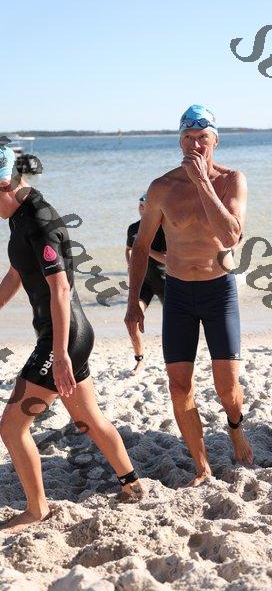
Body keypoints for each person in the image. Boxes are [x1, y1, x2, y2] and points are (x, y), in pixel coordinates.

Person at [0, 144, 144, 535]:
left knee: (11, 427)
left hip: (62, 339)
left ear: (5, 184)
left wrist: (60, 353)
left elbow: (60, 289)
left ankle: (36, 510)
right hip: (65, 337)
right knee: (87, 419)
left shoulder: (40, 220)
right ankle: (132, 486)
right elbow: (16, 274)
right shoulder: (19, 217)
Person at [125, 105, 253, 487]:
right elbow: (140, 247)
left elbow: (230, 235)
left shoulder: (232, 180)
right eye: (187, 138)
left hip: (219, 292)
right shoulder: (162, 188)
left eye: (202, 138)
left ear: (215, 140)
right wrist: (133, 303)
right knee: (178, 385)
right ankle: (202, 466)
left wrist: (202, 183)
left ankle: (235, 426)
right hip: (178, 293)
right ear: (179, 141)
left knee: (227, 389)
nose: (194, 145)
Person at [125, 193, 166, 374]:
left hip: (166, 282)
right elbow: (128, 250)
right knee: (131, 320)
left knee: (175, 325)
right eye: (140, 205)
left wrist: (145, 249)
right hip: (144, 283)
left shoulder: (164, 228)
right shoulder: (133, 228)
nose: (142, 208)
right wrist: (130, 266)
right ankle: (139, 359)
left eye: (145, 205)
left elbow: (168, 259)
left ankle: (175, 361)